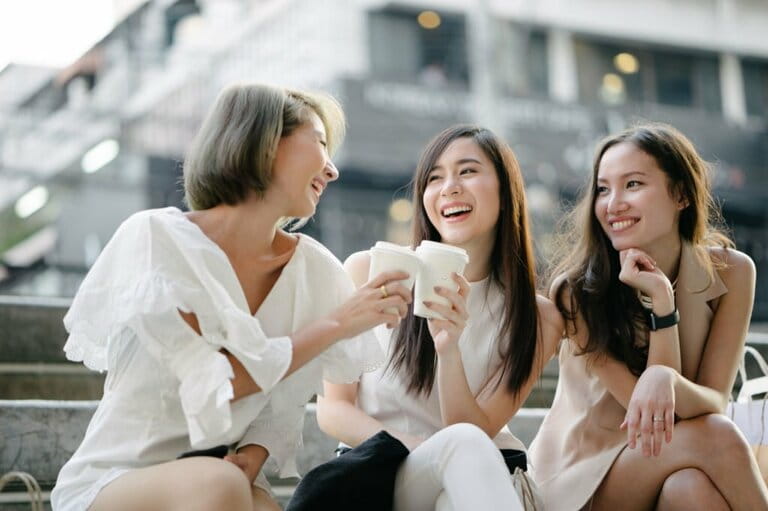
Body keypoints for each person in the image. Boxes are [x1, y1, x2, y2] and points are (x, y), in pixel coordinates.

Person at [50, 83, 411, 511]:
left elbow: (280, 402)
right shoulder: (157, 238)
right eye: (319, 142)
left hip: (218, 481)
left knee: (256, 502)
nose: (331, 170)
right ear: (263, 143)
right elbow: (218, 384)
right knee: (219, 484)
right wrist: (338, 323)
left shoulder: (315, 270)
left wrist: (253, 456)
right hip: (116, 483)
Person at [315, 124, 564, 510]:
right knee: (458, 452)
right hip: (382, 473)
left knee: (455, 487)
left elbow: (476, 432)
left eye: (467, 171)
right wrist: (420, 449)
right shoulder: (370, 271)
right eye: (435, 177)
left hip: (476, 480)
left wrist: (449, 351)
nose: (449, 187)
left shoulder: (537, 317)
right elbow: (333, 409)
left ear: (505, 192)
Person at [528, 122, 768, 510]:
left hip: (674, 461)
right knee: (717, 435)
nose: (613, 203)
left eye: (633, 185)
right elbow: (657, 420)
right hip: (581, 480)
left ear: (682, 195)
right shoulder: (577, 291)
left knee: (690, 490)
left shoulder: (733, 272)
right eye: (603, 189)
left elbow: (714, 398)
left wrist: (663, 373)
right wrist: (663, 311)